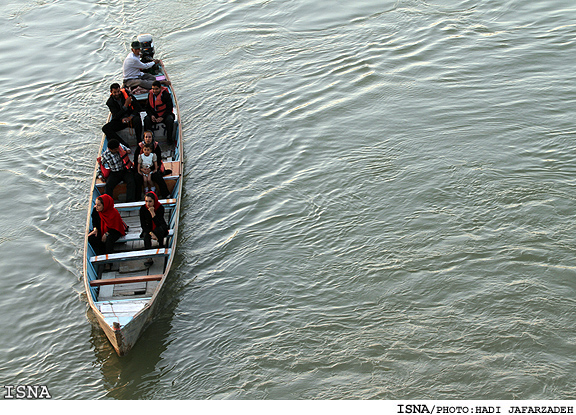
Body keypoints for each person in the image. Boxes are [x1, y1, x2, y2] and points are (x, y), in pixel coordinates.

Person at [133, 131, 171, 199]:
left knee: (158, 176)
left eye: (149, 137)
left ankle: (166, 194)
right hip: (142, 168)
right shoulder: (139, 147)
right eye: (146, 137)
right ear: (144, 138)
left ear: (152, 138)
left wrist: (151, 169)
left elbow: (158, 160)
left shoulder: (155, 147)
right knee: (137, 178)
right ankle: (137, 197)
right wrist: (142, 169)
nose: (148, 139)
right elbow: (136, 161)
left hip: (153, 168)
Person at [139, 192, 169, 266]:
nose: (148, 204)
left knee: (159, 230)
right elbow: (143, 225)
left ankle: (161, 245)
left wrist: (152, 213)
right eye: (146, 201)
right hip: (148, 228)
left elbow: (159, 223)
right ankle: (149, 257)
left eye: (150, 201)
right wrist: (151, 233)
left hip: (159, 226)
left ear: (154, 201)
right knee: (146, 236)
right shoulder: (143, 209)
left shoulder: (160, 208)